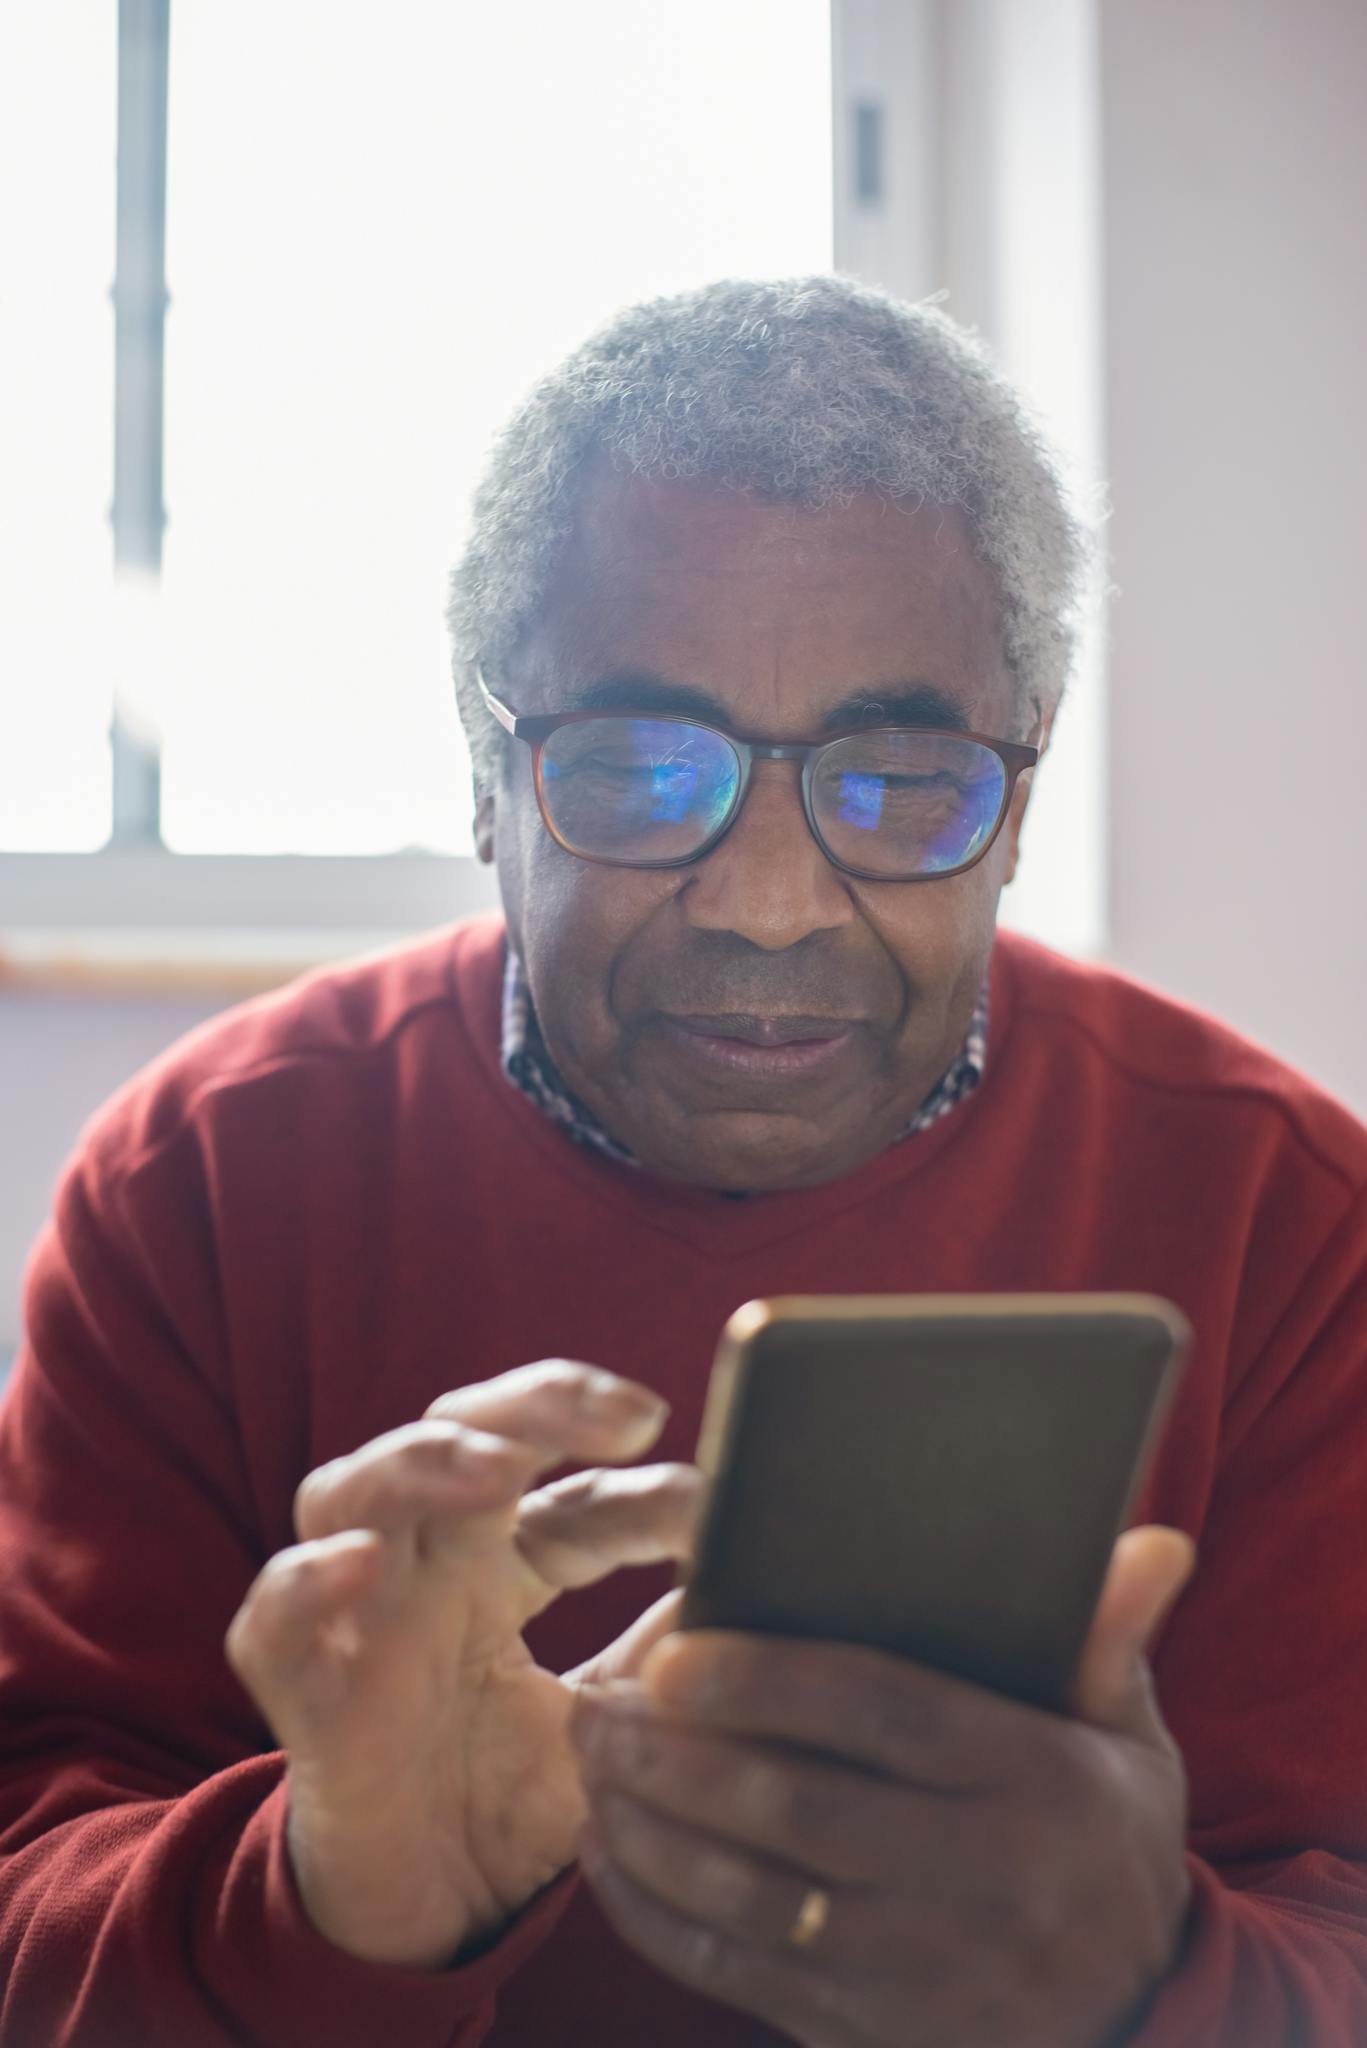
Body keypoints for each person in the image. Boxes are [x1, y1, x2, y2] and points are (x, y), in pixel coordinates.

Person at [0, 276, 1364, 2048]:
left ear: (1019, 808)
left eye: (897, 777)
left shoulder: (1284, 1220)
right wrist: (322, 1898)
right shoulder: (205, 1178)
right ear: (488, 777)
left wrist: (1150, 1986)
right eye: (642, 767)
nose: (771, 905)